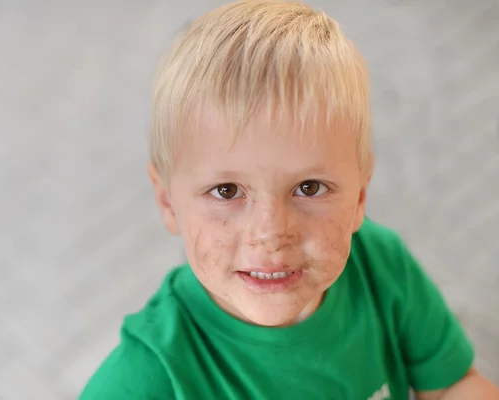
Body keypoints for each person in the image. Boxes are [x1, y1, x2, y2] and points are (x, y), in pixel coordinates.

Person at [80, 1, 499, 398]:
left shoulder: (380, 265)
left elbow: (451, 386)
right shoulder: (143, 382)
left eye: (309, 187)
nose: (271, 233)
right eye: (227, 191)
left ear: (359, 197)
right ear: (168, 202)